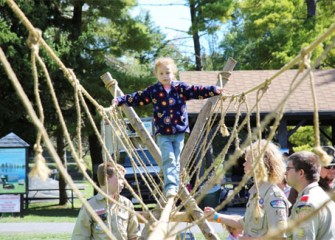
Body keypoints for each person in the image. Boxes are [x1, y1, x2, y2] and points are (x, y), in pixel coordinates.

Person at [114, 57, 224, 198]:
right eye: (161, 73)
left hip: (179, 131)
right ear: (156, 75)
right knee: (169, 159)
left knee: (176, 160)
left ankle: (175, 184)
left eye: (168, 72)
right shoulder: (154, 91)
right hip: (163, 133)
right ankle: (171, 186)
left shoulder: (180, 88)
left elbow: (196, 90)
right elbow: (138, 97)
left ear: (173, 73)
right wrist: (120, 99)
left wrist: (214, 90)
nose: (165, 76)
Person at [204, 139, 289, 239]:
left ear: (259, 163)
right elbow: (244, 223)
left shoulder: (273, 196)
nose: (244, 164)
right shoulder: (256, 192)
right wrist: (216, 217)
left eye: (247, 160)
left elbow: (279, 236)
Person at [72, 162, 140, 240]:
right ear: (107, 178)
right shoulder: (90, 206)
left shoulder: (127, 204)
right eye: (120, 178)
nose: (124, 182)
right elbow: (80, 236)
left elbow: (134, 235)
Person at [285, 151, 335, 239]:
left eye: (288, 168)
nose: (285, 173)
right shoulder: (321, 195)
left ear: (301, 173)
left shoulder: (307, 205)